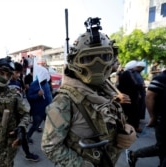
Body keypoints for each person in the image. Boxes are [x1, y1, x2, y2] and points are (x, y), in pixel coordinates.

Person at [41, 17, 136, 167]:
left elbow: (115, 120)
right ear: (75, 62)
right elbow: (50, 147)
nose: (96, 64)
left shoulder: (106, 90)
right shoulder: (64, 102)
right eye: (88, 58)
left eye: (103, 57)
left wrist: (128, 131)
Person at [126, 69, 166, 167]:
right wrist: (153, 116)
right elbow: (149, 96)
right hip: (163, 120)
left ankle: (134, 155)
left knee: (162, 148)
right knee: (161, 147)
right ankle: (134, 155)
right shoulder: (161, 78)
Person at [8, 61, 39, 161]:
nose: (17, 75)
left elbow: (21, 96)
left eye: (19, 73)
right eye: (16, 72)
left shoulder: (18, 82)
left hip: (19, 114)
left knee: (23, 134)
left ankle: (28, 154)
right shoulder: (5, 84)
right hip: (8, 116)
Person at [26, 65, 53, 144]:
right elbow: (29, 97)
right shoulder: (34, 85)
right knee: (35, 126)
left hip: (48, 109)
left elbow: (49, 94)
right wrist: (38, 95)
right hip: (38, 111)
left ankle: (50, 140)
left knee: (50, 126)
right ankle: (27, 137)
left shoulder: (46, 83)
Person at [117, 60, 143, 133]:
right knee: (132, 112)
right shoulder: (128, 74)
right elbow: (133, 85)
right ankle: (133, 127)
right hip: (130, 97)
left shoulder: (127, 73)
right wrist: (141, 86)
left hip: (128, 96)